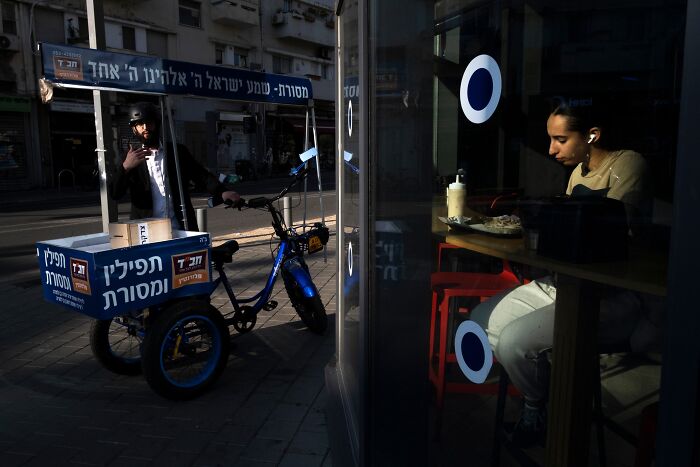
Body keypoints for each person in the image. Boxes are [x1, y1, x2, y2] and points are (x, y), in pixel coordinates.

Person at [470, 100, 661, 447]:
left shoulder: (628, 165)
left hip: (611, 295)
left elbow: (611, 234)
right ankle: (549, 395)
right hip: (570, 282)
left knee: (514, 341)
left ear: (592, 135)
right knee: (487, 321)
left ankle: (540, 409)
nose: (551, 149)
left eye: (560, 139)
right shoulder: (577, 174)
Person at [110, 102, 240, 231]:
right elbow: (115, 193)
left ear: (157, 124)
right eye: (139, 124)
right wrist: (125, 167)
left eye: (149, 122)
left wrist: (222, 191)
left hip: (181, 227)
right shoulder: (129, 158)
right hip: (146, 233)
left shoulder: (177, 151)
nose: (145, 128)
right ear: (134, 129)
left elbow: (201, 175)